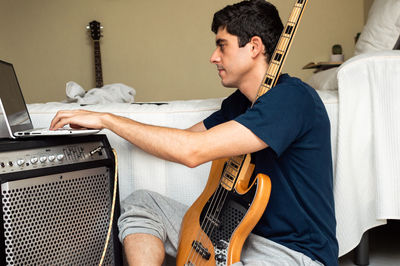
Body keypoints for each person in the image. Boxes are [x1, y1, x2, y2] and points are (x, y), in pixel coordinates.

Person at [50, 0, 338, 265]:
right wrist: (105, 125)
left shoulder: (292, 99)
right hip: (239, 234)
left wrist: (107, 118)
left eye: (222, 45)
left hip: (292, 253)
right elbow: (182, 139)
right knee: (142, 203)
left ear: (254, 47)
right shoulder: (240, 103)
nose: (213, 57)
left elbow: (192, 151)